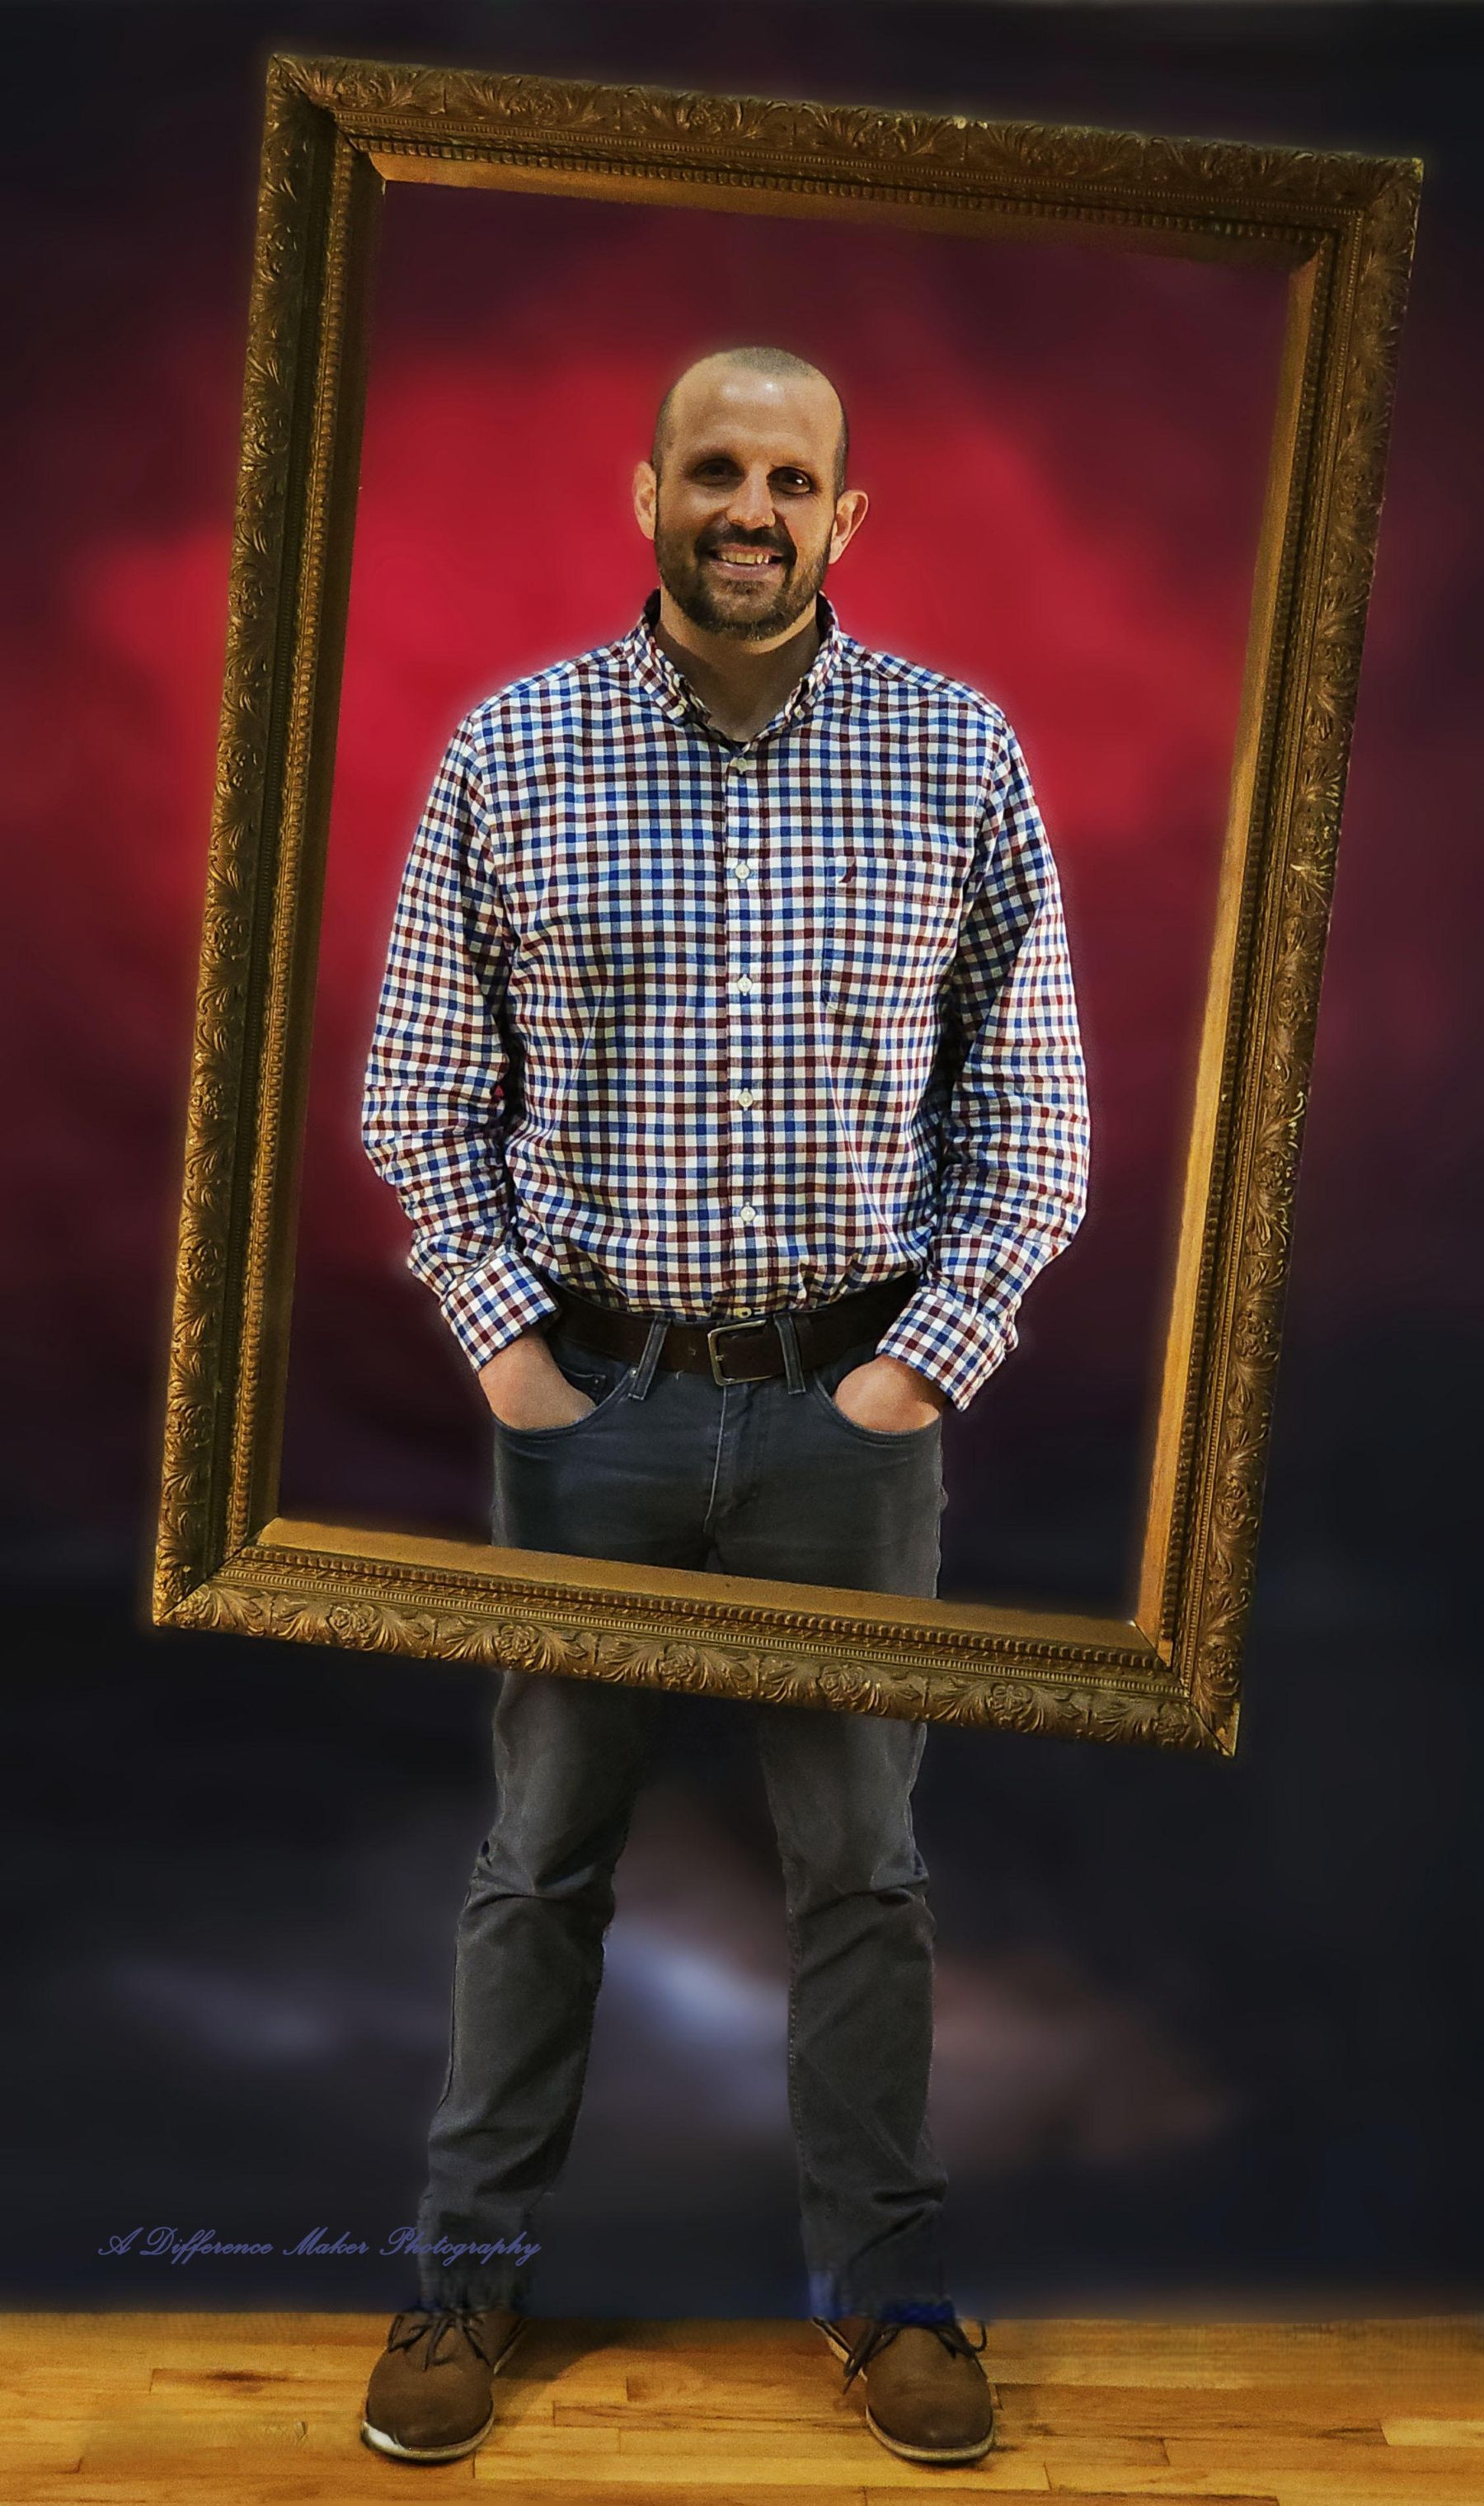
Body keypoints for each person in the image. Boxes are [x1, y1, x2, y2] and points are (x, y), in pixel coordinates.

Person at [357, 343, 1091, 2470]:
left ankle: (884, 2299)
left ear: (847, 515)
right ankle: (459, 2291)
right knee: (539, 1853)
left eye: (791, 475)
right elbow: (423, 1093)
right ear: (646, 492)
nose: (749, 506)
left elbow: (1031, 1118)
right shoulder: (515, 749)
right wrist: (516, 1356)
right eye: (714, 468)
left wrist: (904, 1379)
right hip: (591, 1400)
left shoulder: (957, 754)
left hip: (850, 1414)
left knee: (859, 1869)